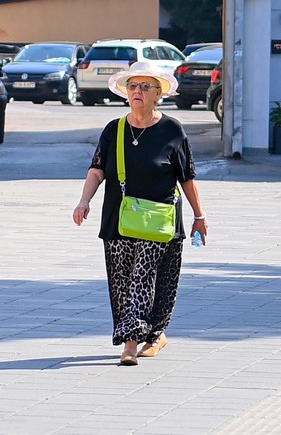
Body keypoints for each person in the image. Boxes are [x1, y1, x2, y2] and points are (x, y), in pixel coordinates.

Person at [72, 61, 207, 366]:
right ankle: (154, 334)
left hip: (159, 218)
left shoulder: (172, 129)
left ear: (158, 94)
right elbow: (96, 170)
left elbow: (186, 175)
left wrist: (199, 216)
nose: (138, 92)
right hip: (118, 219)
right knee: (121, 282)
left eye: (146, 87)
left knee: (147, 278)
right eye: (133, 86)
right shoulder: (114, 129)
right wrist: (84, 202)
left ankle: (131, 343)